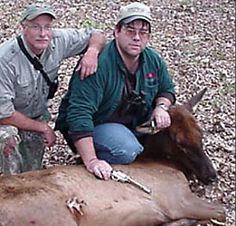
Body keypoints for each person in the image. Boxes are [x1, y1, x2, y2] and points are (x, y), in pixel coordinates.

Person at [55, 2, 176, 180]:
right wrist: (92, 161)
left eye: (143, 32)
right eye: (130, 30)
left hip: (134, 123)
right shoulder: (97, 64)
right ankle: (91, 163)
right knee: (127, 149)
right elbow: (78, 115)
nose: (136, 37)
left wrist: (161, 108)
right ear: (117, 31)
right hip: (97, 125)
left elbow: (167, 89)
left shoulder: (153, 59)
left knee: (180, 124)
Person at [0, 2, 106, 175]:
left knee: (32, 170)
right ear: (23, 27)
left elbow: (97, 34)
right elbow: (3, 114)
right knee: (9, 144)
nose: (43, 34)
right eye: (35, 27)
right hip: (8, 114)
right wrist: (43, 127)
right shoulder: (3, 59)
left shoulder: (58, 39)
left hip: (35, 112)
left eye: (47, 27)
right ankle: (6, 172)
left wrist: (92, 52)